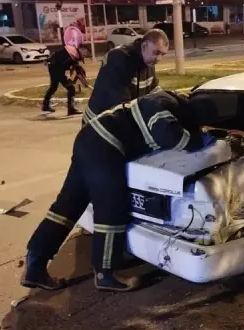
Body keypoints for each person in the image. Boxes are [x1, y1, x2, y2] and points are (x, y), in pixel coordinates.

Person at [23, 90, 219, 292]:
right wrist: (201, 140)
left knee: (68, 204)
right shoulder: (164, 106)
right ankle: (105, 274)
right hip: (105, 144)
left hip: (91, 139)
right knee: (111, 209)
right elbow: (171, 137)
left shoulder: (166, 99)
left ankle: (35, 265)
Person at [83, 29, 169, 123]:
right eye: (156, 52)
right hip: (96, 123)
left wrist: (171, 100)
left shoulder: (148, 63)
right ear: (144, 46)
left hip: (114, 122)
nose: (159, 59)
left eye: (163, 54)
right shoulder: (120, 59)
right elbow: (120, 105)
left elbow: (153, 91)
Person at [41, 34, 85, 116]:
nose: (84, 52)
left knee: (53, 87)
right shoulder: (71, 52)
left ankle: (45, 105)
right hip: (56, 69)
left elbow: (75, 68)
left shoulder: (72, 53)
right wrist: (48, 60)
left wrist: (79, 74)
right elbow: (57, 55)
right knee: (70, 88)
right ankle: (71, 109)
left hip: (54, 68)